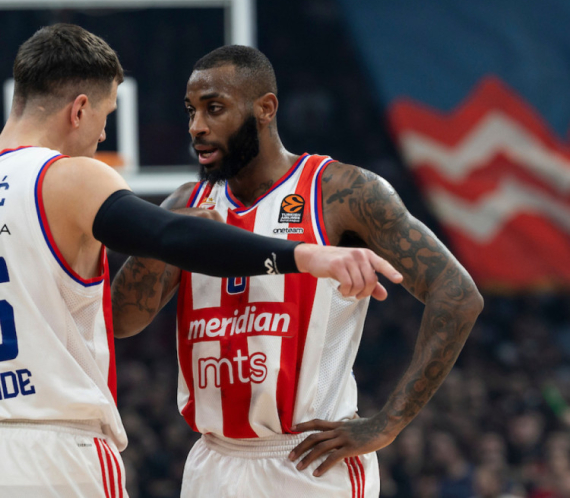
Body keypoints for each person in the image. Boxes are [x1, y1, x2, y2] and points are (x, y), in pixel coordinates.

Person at [0, 25, 401, 498]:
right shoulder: (68, 177)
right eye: (106, 117)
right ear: (80, 109)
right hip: (55, 447)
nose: (104, 134)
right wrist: (305, 254)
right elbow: (168, 235)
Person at [111, 45, 484, 497]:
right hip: (213, 462)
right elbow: (123, 321)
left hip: (308, 461)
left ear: (265, 108)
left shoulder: (341, 192)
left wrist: (387, 424)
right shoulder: (185, 204)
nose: (197, 127)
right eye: (191, 111)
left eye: (214, 108)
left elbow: (457, 294)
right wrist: (165, 235)